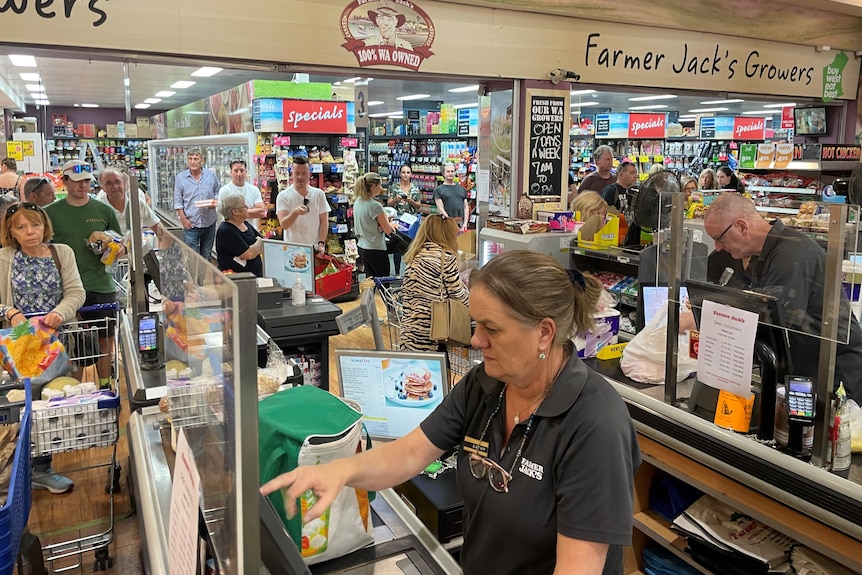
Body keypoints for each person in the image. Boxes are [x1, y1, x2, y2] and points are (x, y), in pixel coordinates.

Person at [261, 250, 640, 575]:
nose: (476, 340)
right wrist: (341, 469)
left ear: (544, 333)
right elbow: (411, 453)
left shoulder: (595, 423)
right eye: (475, 324)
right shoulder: (486, 384)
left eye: (491, 328)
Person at [704, 193, 862, 401]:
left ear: (742, 226)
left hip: (834, 374)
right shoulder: (764, 254)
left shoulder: (791, 255)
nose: (717, 247)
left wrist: (713, 316)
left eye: (719, 238)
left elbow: (775, 322)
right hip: (802, 370)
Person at [0, 201, 85, 494]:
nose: (30, 232)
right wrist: (10, 312)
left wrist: (60, 312)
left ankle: (41, 467)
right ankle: (20, 468)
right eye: (21, 227)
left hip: (57, 340)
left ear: (44, 225)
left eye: (34, 225)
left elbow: (76, 291)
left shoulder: (62, 253)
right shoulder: (4, 258)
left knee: (52, 405)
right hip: (21, 342)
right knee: (23, 406)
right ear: (11, 232)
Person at [45, 160, 123, 391]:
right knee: (71, 342)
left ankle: (106, 385)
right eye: (78, 181)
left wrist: (114, 249)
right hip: (65, 289)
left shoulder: (104, 210)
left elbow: (120, 243)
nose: (83, 186)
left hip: (100, 283)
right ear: (65, 181)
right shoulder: (50, 213)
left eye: (87, 181)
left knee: (105, 338)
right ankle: (75, 390)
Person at [400, 214, 469, 352]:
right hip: (433, 330)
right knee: (440, 370)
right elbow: (458, 295)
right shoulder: (445, 258)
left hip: (410, 330)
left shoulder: (415, 255)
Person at [276, 156, 330, 254]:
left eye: (304, 173)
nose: (300, 177)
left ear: (309, 174)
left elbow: (324, 221)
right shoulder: (283, 196)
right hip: (291, 251)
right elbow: (284, 224)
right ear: (292, 174)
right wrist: (295, 213)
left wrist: (321, 243)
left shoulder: (319, 194)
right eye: (297, 173)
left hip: (314, 249)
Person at [174, 148, 221, 259]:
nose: (193, 162)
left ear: (202, 161)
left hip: (209, 223)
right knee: (192, 258)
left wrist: (214, 202)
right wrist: (184, 220)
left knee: (206, 256)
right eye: (190, 159)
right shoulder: (180, 178)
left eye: (196, 159)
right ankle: (193, 277)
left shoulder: (211, 176)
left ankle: (203, 277)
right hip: (191, 224)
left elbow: (218, 192)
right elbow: (177, 201)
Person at [96, 167, 161, 237]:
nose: (114, 186)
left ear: (125, 184)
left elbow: (158, 228)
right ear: (102, 188)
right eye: (109, 183)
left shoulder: (137, 203)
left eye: (118, 182)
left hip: (135, 246)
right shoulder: (97, 207)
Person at [353, 172, 395, 278]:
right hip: (376, 248)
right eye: (379, 185)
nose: (381, 188)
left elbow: (368, 223)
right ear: (373, 186)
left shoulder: (358, 202)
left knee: (370, 281)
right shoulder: (375, 206)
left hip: (362, 247)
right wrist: (392, 225)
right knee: (383, 282)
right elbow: (388, 230)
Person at [215, 192, 263, 277]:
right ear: (235, 212)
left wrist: (259, 244)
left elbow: (263, 241)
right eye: (244, 206)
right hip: (236, 279)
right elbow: (249, 254)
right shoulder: (226, 231)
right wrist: (259, 243)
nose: (247, 207)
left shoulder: (244, 223)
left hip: (253, 277)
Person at [388, 164, 422, 272]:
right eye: (403, 172)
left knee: (412, 246)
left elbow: (419, 206)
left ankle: (411, 270)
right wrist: (396, 200)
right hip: (398, 220)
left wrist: (411, 201)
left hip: (412, 220)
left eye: (408, 172)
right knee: (397, 246)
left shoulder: (415, 188)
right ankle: (397, 271)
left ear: (411, 174)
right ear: (400, 174)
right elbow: (389, 204)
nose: (405, 175)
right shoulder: (394, 187)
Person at [218, 159, 267, 230]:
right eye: (236, 171)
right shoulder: (225, 191)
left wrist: (238, 211)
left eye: (242, 170)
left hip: (250, 231)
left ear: (246, 172)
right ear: (231, 172)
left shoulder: (254, 190)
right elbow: (227, 215)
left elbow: (262, 212)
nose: (239, 174)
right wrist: (251, 210)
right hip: (231, 231)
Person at [433, 163, 469, 232]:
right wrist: (449, 222)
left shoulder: (462, 189)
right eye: (448, 171)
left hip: (460, 224)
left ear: (455, 172)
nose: (450, 173)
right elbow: (441, 209)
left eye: (452, 171)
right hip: (446, 224)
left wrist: (465, 224)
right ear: (443, 173)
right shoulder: (439, 190)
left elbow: (465, 207)